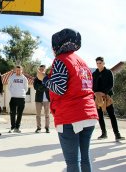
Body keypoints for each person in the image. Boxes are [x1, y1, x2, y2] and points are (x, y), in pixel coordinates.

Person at [37, 28, 98, 172]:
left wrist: (43, 78)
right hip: (88, 114)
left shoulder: (60, 60)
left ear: (56, 46)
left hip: (70, 116)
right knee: (84, 158)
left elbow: (59, 88)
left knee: (72, 162)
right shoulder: (81, 62)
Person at [92, 57, 125, 141]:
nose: (98, 65)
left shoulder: (108, 72)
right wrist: (95, 93)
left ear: (103, 63)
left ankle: (117, 135)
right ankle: (104, 134)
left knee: (112, 115)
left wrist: (104, 92)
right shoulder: (94, 74)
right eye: (97, 63)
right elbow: (91, 85)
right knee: (100, 116)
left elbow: (111, 84)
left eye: (100, 63)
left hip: (107, 96)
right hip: (97, 97)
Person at [8, 65, 28, 133]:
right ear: (15, 70)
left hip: (21, 98)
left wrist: (21, 93)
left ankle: (17, 128)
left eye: (19, 70)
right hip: (13, 98)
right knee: (12, 113)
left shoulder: (24, 78)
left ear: (22, 70)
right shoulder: (11, 77)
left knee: (20, 114)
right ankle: (12, 127)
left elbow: (26, 88)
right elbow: (9, 87)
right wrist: (13, 93)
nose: (18, 71)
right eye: (17, 70)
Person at [33, 64, 50, 133]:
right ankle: (38, 128)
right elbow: (35, 87)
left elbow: (48, 87)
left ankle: (47, 128)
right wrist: (44, 86)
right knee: (38, 115)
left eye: (43, 69)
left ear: (45, 70)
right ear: (39, 70)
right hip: (38, 99)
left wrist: (41, 87)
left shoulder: (48, 78)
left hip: (47, 99)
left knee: (47, 115)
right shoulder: (36, 78)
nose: (42, 70)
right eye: (40, 69)